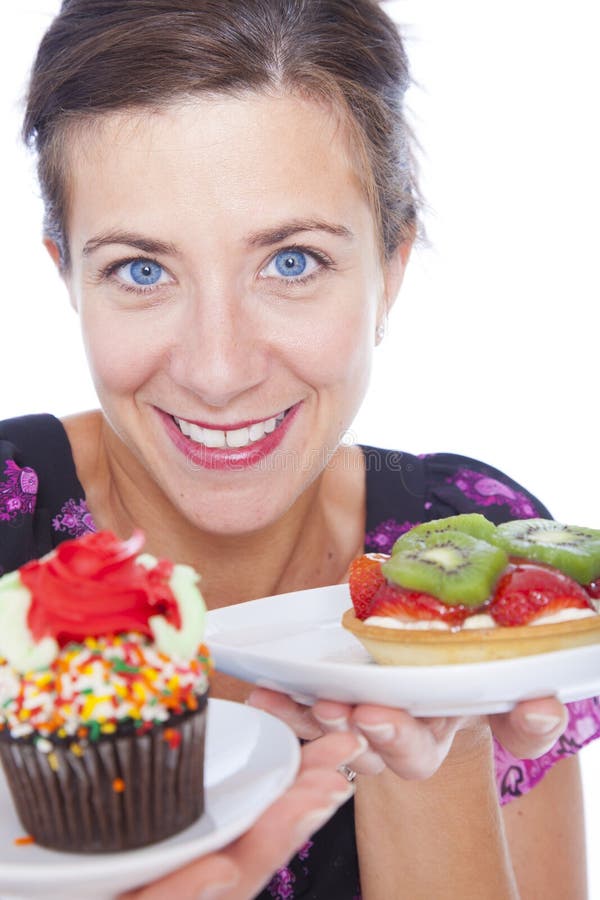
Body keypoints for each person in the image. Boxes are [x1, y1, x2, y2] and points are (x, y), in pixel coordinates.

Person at [0, 1, 596, 897]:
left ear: (390, 268)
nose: (218, 369)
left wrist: (434, 745)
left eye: (291, 262)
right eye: (140, 270)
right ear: (67, 277)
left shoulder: (478, 556)